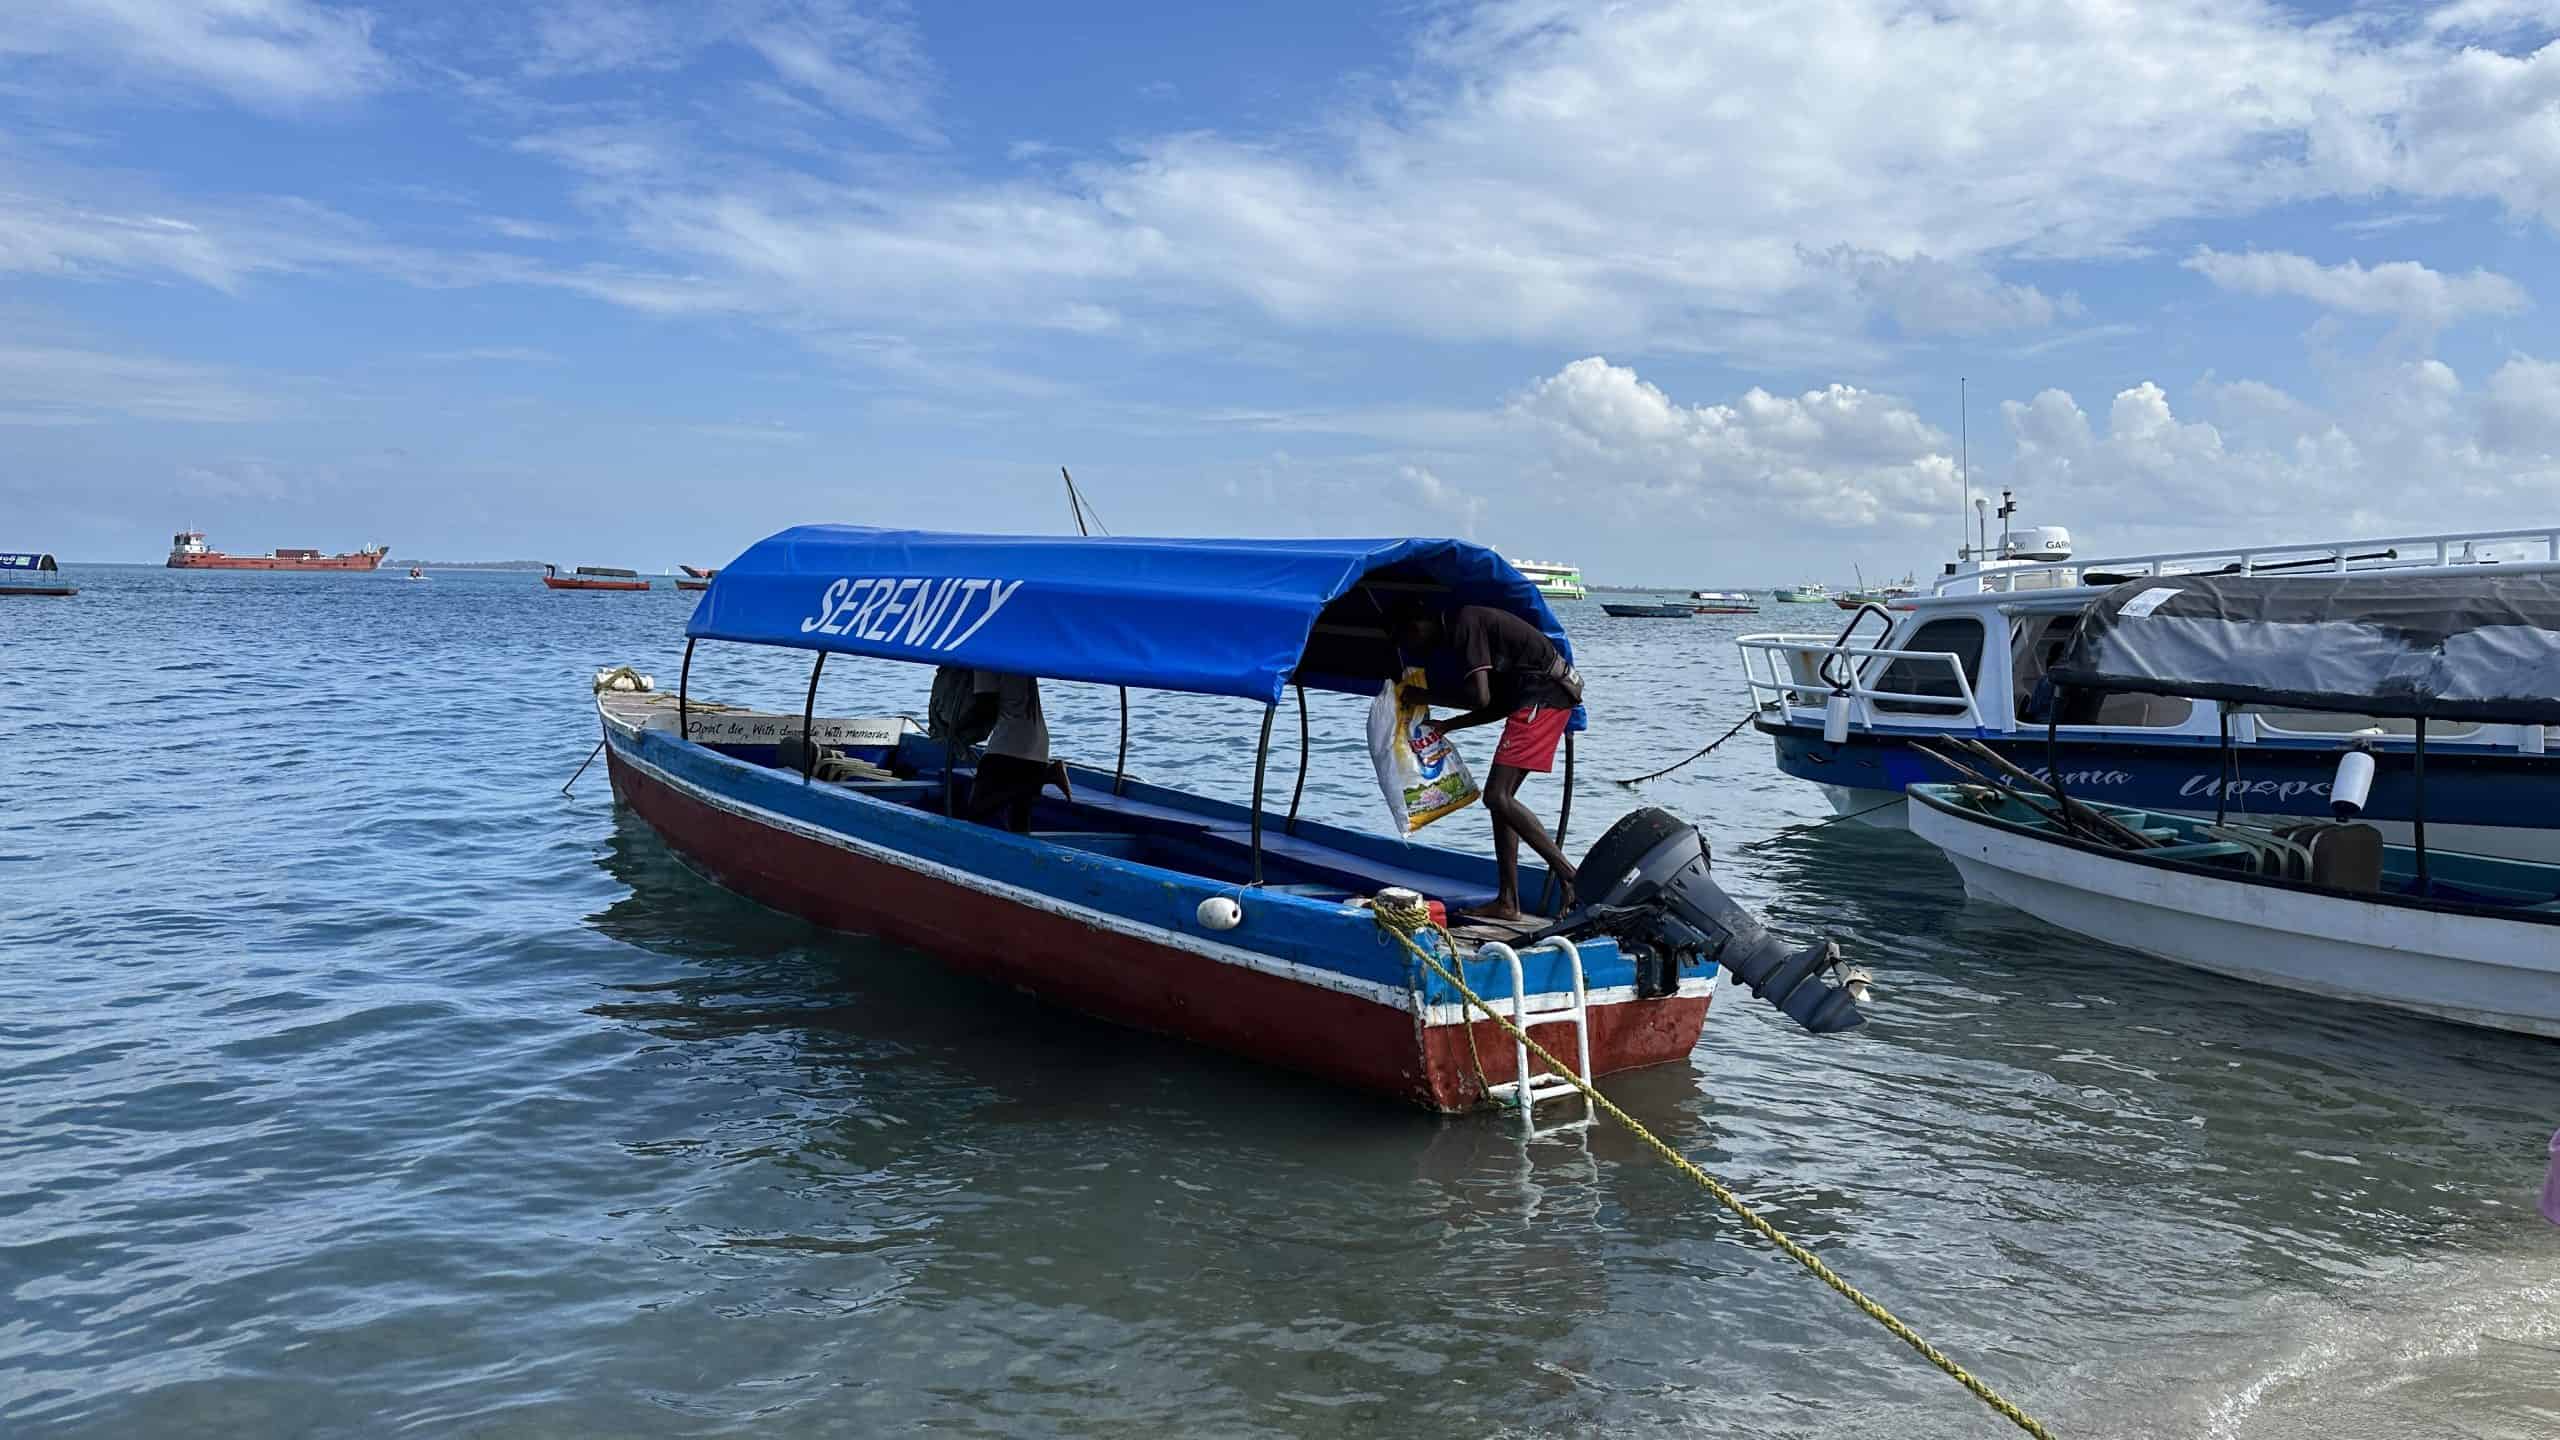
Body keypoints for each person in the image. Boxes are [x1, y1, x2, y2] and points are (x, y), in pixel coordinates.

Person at [1390, 601, 1583, 920]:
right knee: (1500, 802)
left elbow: (1479, 697)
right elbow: (1495, 704)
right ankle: (1508, 902)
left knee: (1497, 796)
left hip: (1545, 697)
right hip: (1537, 697)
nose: (1413, 646)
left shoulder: (1465, 622)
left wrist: (1425, 696)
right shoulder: (1465, 631)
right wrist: (1450, 725)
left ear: (1419, 624)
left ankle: (1571, 877)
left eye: (1408, 637)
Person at [954, 670, 1051, 833]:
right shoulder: (1020, 654)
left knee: (976, 813)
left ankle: (1043, 778)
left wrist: (958, 728)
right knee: (1019, 823)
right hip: (1039, 745)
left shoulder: (984, 657)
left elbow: (986, 706)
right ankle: (1041, 778)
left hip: (1007, 745)